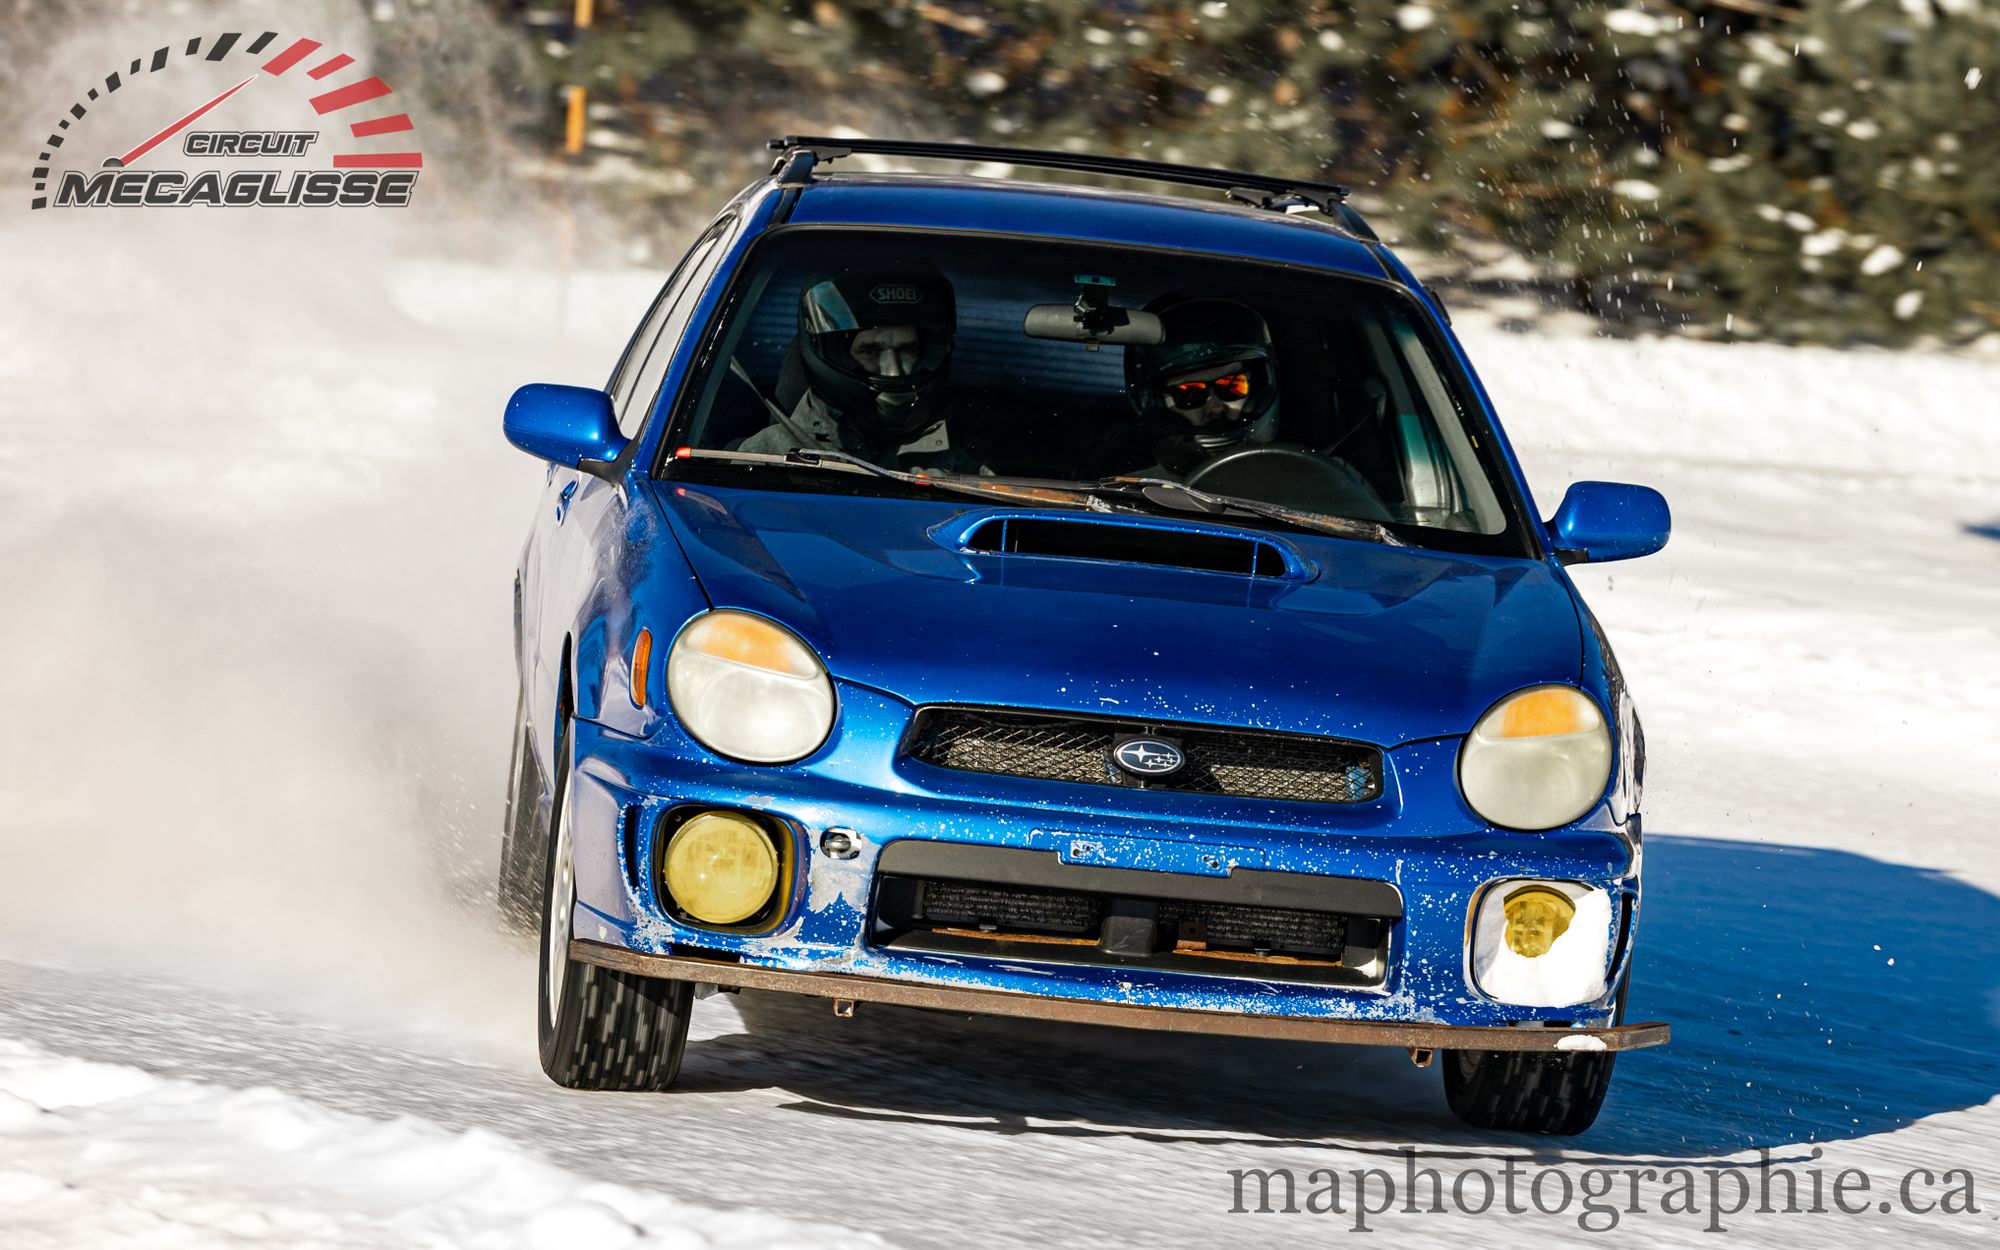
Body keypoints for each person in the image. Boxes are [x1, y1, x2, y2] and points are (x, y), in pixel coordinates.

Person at [737, 263, 981, 474]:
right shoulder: (767, 456)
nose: (893, 371)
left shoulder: (960, 465)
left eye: (908, 350)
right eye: (871, 351)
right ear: (837, 354)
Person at [1117, 297, 1282, 479]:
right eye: (1189, 394)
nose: (1216, 407)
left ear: (1256, 387)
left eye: (1231, 386)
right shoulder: (1134, 493)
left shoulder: (1295, 476)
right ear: (1158, 402)